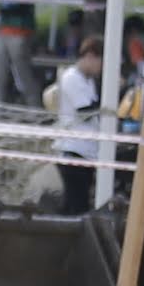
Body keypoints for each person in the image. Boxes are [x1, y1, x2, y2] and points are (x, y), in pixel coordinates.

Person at [47, 41, 110, 216]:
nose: (101, 69)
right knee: (76, 205)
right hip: (73, 149)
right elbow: (85, 110)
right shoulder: (71, 78)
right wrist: (113, 95)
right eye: (102, 63)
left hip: (87, 152)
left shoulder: (88, 81)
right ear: (90, 56)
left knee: (79, 203)